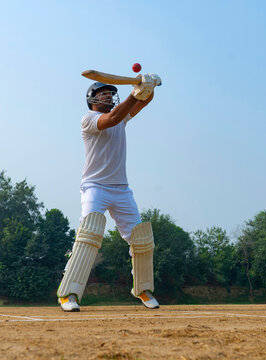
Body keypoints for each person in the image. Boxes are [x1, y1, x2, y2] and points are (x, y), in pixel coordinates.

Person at [57, 74, 161, 312]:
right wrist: (134, 93)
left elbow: (143, 102)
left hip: (121, 189)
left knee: (141, 239)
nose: (108, 96)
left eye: (110, 93)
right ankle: (68, 294)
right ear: (92, 99)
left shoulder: (122, 118)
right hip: (95, 186)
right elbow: (113, 118)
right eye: (102, 93)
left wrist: (148, 86)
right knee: (89, 234)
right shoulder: (89, 119)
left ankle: (143, 289)